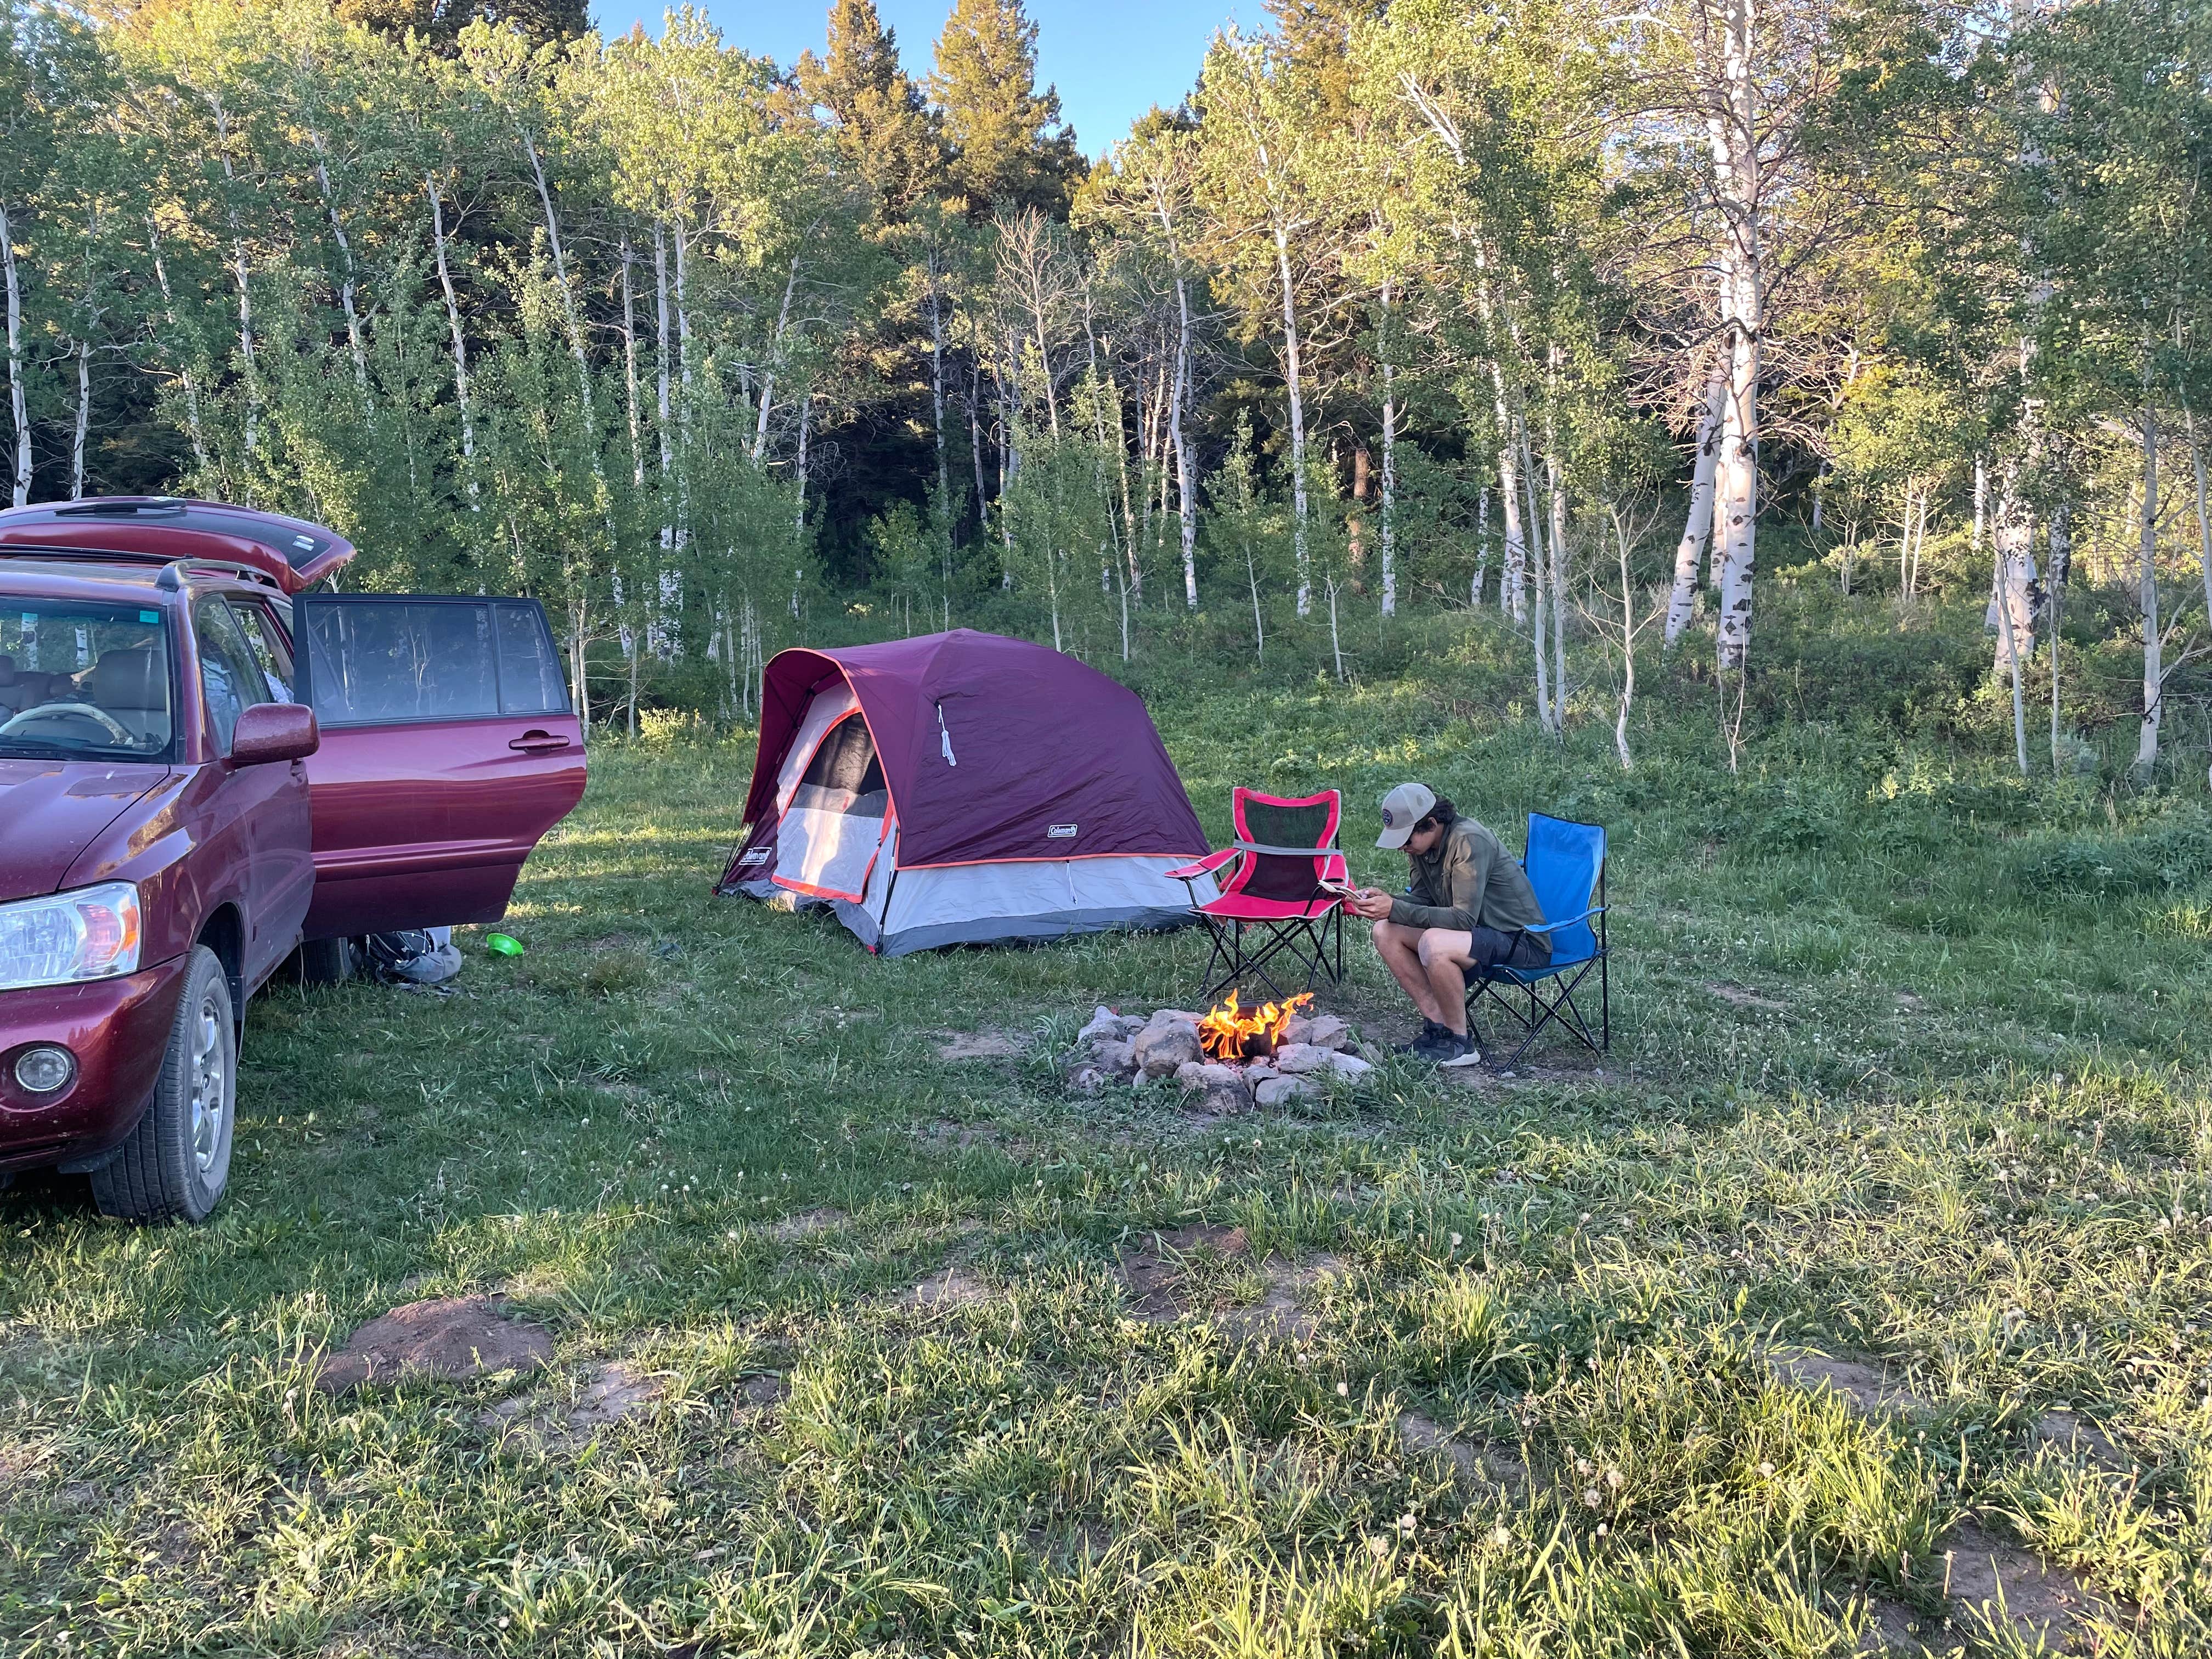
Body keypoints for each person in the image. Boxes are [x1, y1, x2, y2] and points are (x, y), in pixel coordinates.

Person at [1343, 783, 1550, 1065]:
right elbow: (1423, 899)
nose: (1404, 848)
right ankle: (1438, 1029)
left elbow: (1464, 919)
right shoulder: (1422, 849)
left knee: (1434, 943)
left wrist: (1395, 908)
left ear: (1431, 823)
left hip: (1520, 941)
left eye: (1407, 839)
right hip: (1477, 937)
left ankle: (1460, 1043)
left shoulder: (1468, 841)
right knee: (1385, 931)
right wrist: (1385, 902)